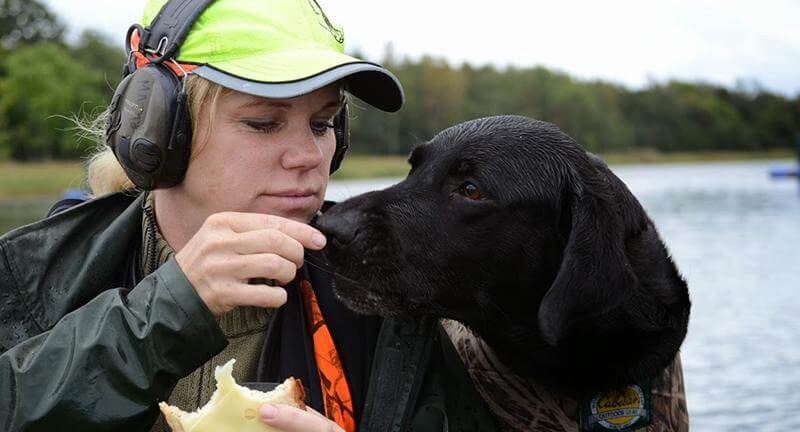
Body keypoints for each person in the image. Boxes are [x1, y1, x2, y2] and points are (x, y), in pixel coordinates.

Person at [0, 0, 689, 431]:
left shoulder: (391, 300)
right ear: (159, 131)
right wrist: (169, 311)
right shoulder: (42, 279)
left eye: (325, 123)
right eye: (265, 123)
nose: (308, 157)